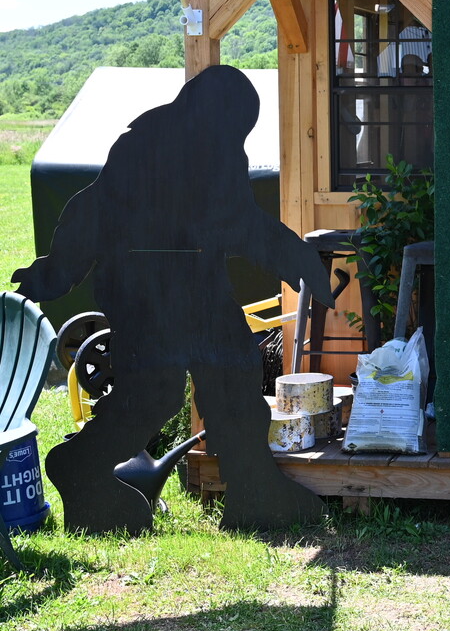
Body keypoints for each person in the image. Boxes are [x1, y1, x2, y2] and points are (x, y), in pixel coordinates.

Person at [13, 66, 333, 534]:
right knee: (154, 391)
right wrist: (54, 273)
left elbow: (236, 221)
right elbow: (101, 210)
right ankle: (81, 466)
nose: (239, 137)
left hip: (195, 284)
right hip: (145, 292)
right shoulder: (152, 146)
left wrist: (299, 260)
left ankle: (252, 488)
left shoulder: (206, 146)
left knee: (233, 376)